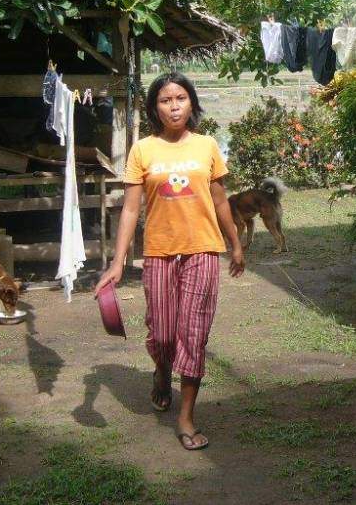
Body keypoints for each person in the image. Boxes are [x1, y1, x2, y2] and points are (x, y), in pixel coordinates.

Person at [94, 72, 244, 451]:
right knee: (162, 334)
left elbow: (221, 200)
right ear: (154, 108)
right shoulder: (142, 150)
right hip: (159, 254)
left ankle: (186, 417)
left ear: (191, 103)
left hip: (202, 251)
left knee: (193, 333)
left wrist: (235, 243)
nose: (173, 105)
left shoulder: (207, 145)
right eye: (165, 100)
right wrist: (116, 263)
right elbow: (130, 210)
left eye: (180, 98)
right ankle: (162, 370)